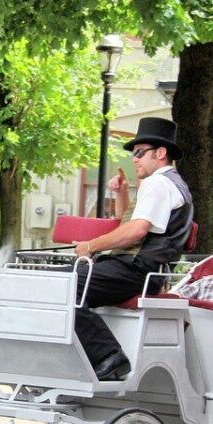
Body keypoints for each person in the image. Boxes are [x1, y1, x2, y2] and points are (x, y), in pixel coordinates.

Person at [71, 116, 192, 380]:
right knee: (65, 280)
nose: (134, 158)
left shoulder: (159, 183)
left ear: (160, 153)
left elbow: (135, 232)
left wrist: (91, 245)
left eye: (140, 152)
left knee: (64, 286)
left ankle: (108, 355)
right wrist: (122, 193)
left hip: (135, 270)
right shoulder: (169, 183)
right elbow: (134, 223)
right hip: (140, 269)